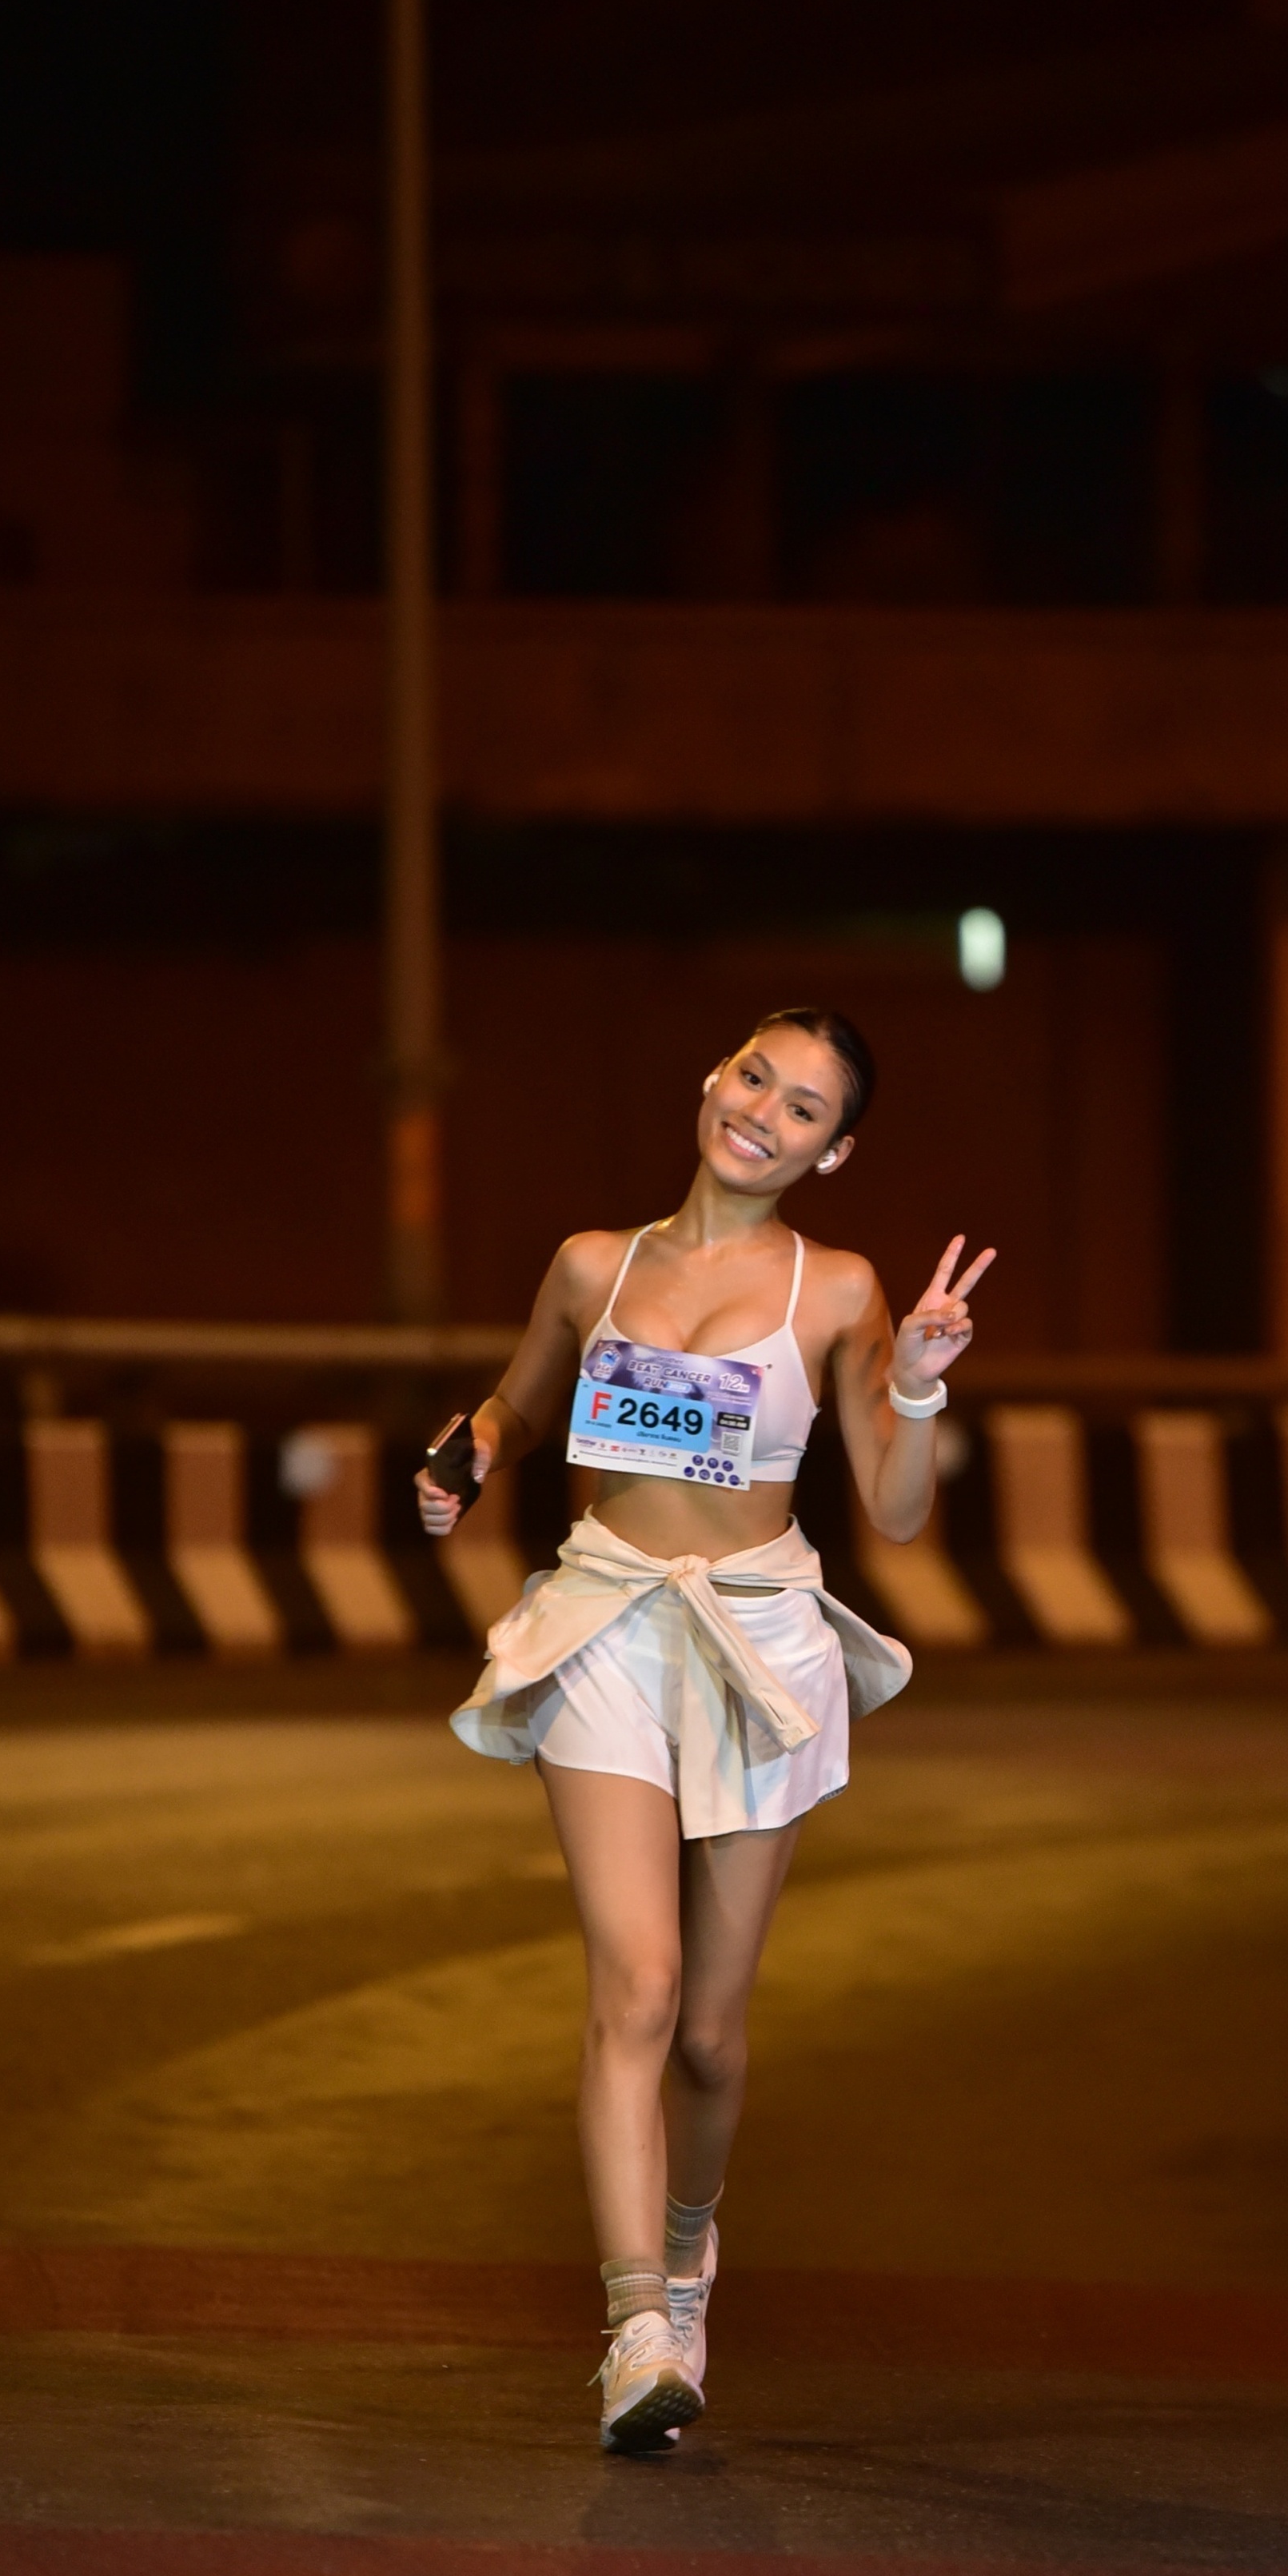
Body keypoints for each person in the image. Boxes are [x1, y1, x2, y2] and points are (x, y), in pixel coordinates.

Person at [417, 1008, 993, 2450]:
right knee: (640, 1986)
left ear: (832, 1151)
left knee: (713, 2041)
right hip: (607, 1623)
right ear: (712, 1078)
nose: (762, 1114)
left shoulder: (838, 1286)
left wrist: (918, 1382)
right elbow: (515, 1408)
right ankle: (637, 2331)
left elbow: (897, 1510)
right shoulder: (590, 1266)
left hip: (756, 1645)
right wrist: (463, 1457)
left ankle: (687, 2250)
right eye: (754, 1077)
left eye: (804, 1108)